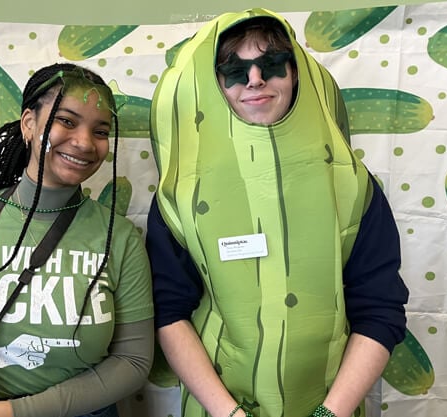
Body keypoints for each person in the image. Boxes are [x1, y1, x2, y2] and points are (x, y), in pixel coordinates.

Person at [146, 8, 409, 417]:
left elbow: (379, 308)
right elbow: (169, 310)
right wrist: (228, 413)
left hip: (331, 406)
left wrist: (329, 413)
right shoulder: (180, 192)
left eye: (271, 64)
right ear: (214, 82)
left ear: (296, 72)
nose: (254, 80)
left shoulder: (351, 184)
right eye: (235, 69)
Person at [0, 63, 154, 417]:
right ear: (29, 123)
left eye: (100, 131)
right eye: (66, 121)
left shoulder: (121, 237)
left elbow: (132, 362)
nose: (84, 142)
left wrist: (13, 412)